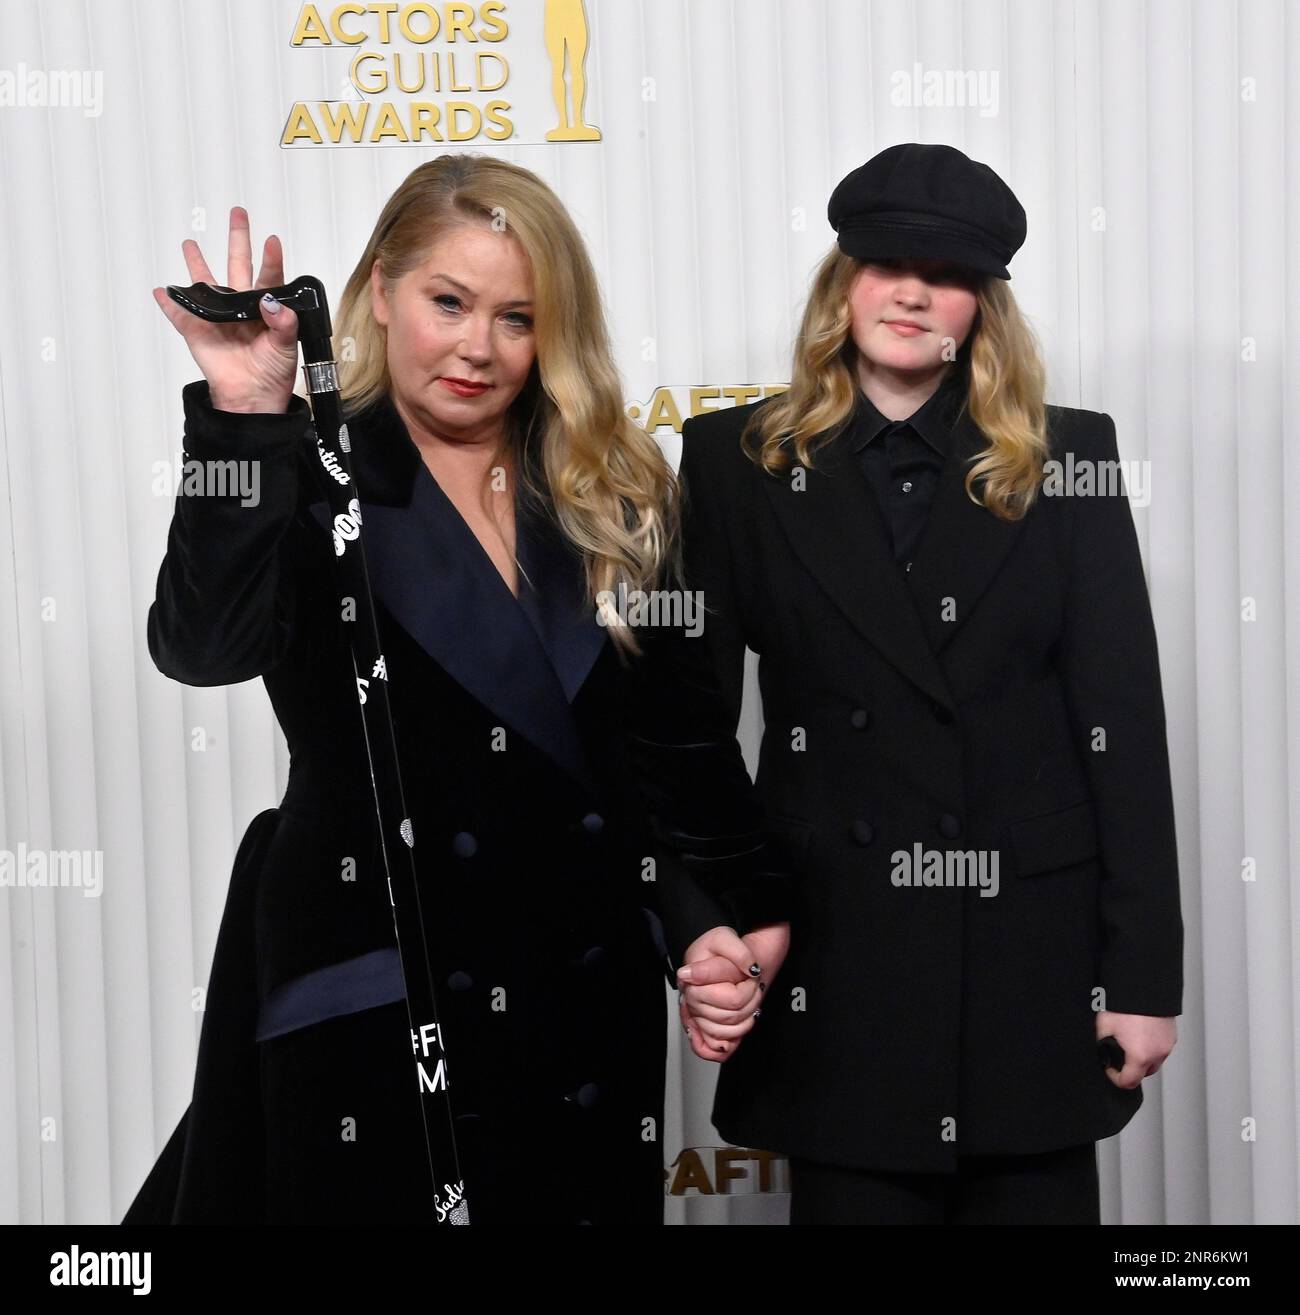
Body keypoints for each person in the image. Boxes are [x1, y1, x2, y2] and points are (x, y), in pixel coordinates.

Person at [124, 154, 791, 1226]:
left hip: (583, 996)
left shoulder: (615, 489)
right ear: (381, 291)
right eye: (449, 302)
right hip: (380, 986)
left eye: (517, 317)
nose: (478, 346)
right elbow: (201, 647)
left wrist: (707, 917)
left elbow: (668, 747)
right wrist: (243, 416)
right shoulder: (302, 470)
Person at [672, 143, 1183, 1224]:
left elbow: (1120, 728)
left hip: (1026, 961)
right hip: (834, 954)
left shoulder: (1065, 456)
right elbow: (691, 732)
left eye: (944, 273)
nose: (910, 291)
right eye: (884, 262)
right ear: (841, 281)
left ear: (982, 307)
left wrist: (1141, 976)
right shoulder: (733, 460)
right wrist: (699, 922)